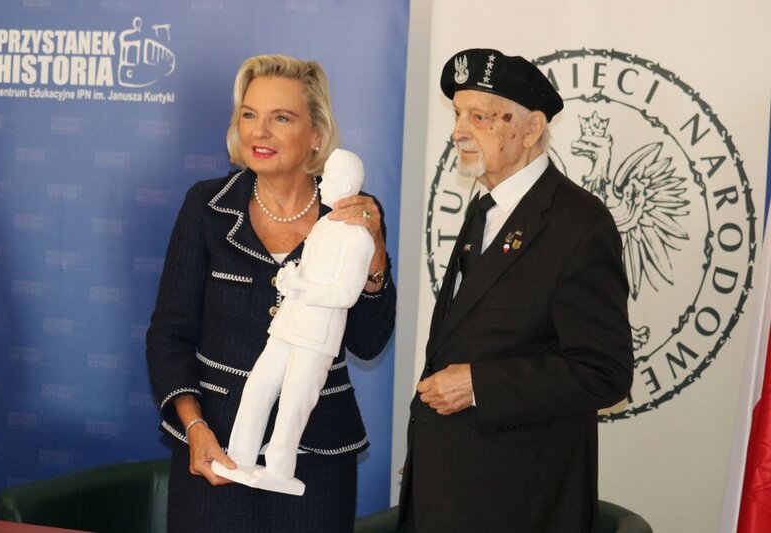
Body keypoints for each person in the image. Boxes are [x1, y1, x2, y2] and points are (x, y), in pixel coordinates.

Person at [146, 55, 395, 533]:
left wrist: (376, 256)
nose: (259, 132)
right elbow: (169, 334)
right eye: (249, 115)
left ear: (317, 134)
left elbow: (368, 343)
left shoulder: (354, 213)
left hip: (318, 458)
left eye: (281, 118)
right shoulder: (206, 206)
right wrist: (194, 427)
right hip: (216, 447)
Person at [397, 48, 633, 532]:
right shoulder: (485, 208)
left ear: (531, 129)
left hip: (519, 505)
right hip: (448, 491)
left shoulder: (580, 224)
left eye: (479, 116)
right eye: (458, 114)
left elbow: (604, 372)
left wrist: (480, 385)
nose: (458, 131)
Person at [213, 149, 375, 496]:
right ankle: (240, 454)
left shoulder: (360, 238)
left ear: (347, 185)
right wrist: (292, 278)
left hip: (318, 335)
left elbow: (346, 294)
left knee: (294, 403)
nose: (322, 184)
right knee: (259, 385)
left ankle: (279, 468)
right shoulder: (323, 225)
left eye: (329, 178)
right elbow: (309, 269)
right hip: (289, 323)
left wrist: (302, 287)